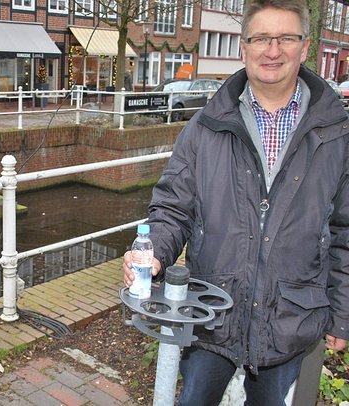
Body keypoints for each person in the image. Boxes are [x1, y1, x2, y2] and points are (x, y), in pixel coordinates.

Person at [122, 0, 349, 404]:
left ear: (305, 46)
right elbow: (174, 206)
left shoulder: (336, 135)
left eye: (286, 38)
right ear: (244, 47)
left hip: (289, 317)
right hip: (213, 311)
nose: (273, 50)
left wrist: (343, 313)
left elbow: (345, 231)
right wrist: (153, 252)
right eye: (261, 38)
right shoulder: (205, 127)